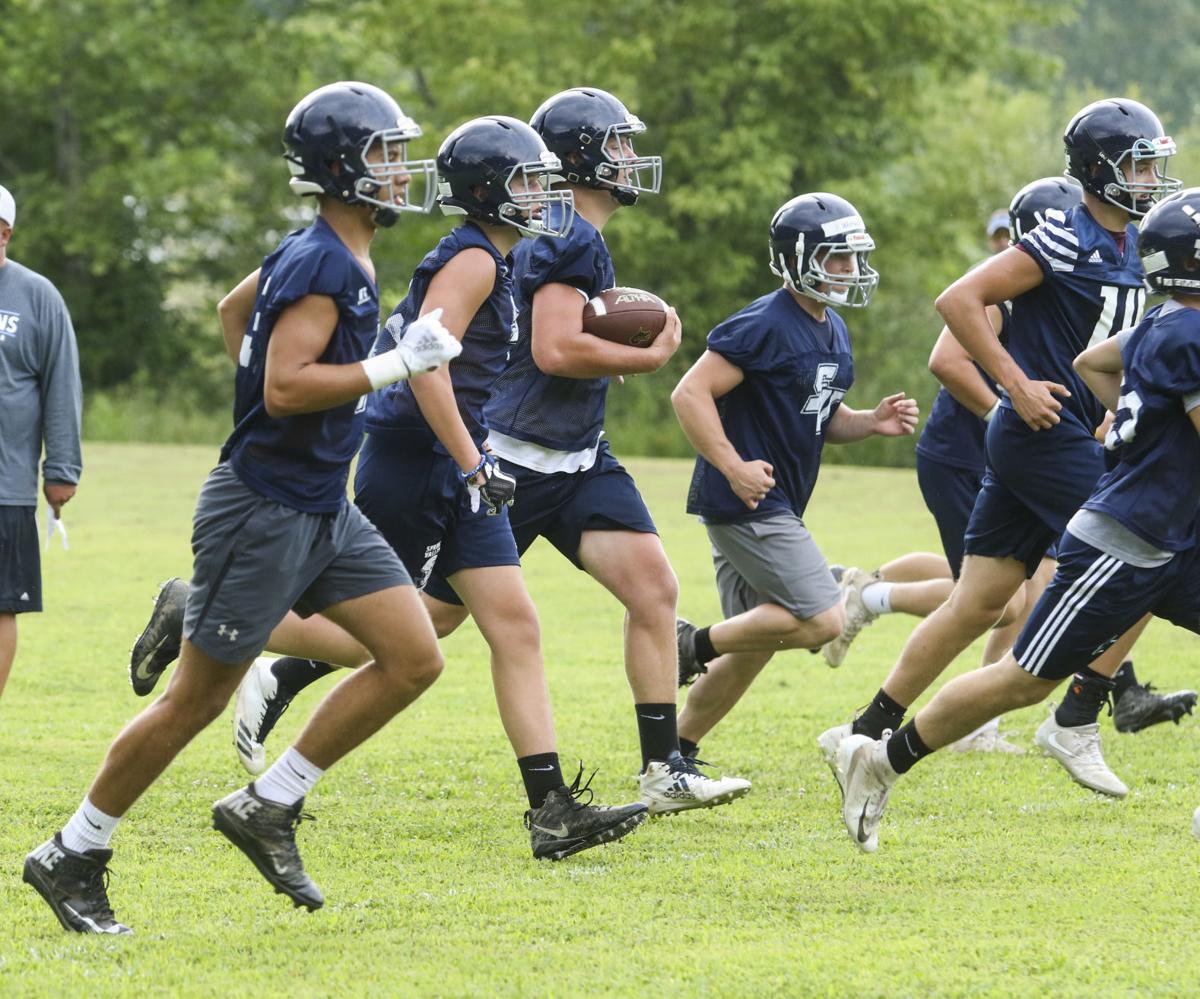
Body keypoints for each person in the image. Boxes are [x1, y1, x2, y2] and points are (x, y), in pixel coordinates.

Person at [23, 81, 461, 934]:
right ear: (340, 168)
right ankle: (72, 851)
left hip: (321, 504)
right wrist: (390, 367)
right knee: (194, 700)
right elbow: (286, 384)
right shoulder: (326, 260)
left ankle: (269, 803)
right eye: (385, 153)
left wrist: (282, 405)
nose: (402, 169)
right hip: (262, 508)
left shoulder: (333, 250)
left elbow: (235, 313)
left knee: (413, 655)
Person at [222, 115, 648, 859]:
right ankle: (202, 611)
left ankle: (550, 808)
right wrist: (472, 461)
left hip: (457, 457)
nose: (545, 193)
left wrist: (474, 456)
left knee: (514, 622)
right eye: (529, 180)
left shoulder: (502, 258)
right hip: (419, 458)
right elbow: (427, 362)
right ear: (488, 190)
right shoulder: (477, 259)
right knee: (371, 637)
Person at [818, 98, 1194, 801]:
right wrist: (1015, 384)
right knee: (1149, 540)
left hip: (1057, 435)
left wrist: (1123, 413)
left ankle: (862, 731)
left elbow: (1114, 354)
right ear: (1098, 170)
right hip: (1037, 435)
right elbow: (959, 300)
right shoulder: (1063, 235)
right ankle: (1081, 710)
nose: (1151, 176)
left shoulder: (1133, 241)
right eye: (1139, 162)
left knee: (978, 601)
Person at [422, 87, 749, 813]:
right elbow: (556, 346)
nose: (631, 159)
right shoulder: (571, 233)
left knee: (654, 588)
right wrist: (652, 354)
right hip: (515, 457)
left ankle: (664, 767)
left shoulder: (561, 227)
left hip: (574, 456)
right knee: (427, 622)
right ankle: (266, 658)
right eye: (618, 145)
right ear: (582, 155)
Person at [672, 193, 918, 760]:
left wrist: (870, 423)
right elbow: (690, 393)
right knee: (823, 620)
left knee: (755, 644)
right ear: (797, 258)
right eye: (836, 258)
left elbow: (821, 418)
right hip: (751, 500)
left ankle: (673, 750)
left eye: (853, 258)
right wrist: (732, 465)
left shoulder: (832, 328)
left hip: (766, 500)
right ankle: (691, 643)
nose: (850, 271)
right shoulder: (765, 322)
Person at [0, 184, 83, 704]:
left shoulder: (37, 296)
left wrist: (63, 468)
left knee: (0, 606)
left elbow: (61, 383)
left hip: (4, 485)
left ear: (3, 232)